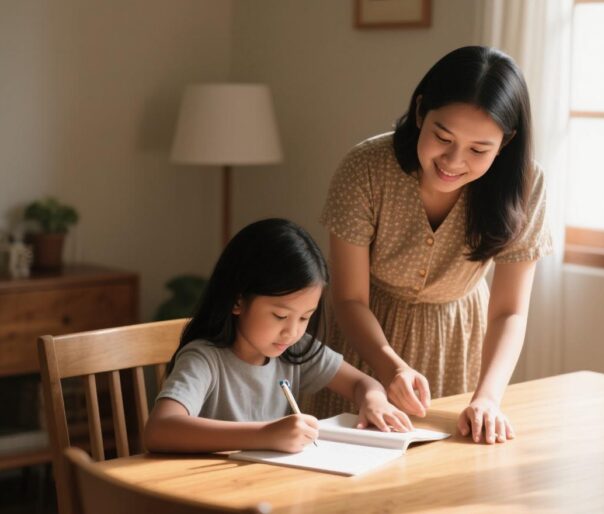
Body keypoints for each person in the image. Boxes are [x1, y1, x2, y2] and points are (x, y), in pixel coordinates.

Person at [307, 46, 552, 444]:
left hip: (458, 344)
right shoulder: (366, 168)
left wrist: (488, 398)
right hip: (364, 344)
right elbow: (349, 298)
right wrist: (390, 368)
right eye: (442, 136)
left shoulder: (526, 186)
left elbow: (509, 312)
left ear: (505, 142)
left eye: (478, 149)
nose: (453, 161)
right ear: (421, 112)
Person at [144, 218, 412, 454]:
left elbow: (362, 384)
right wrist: (263, 435)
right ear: (238, 301)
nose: (292, 331)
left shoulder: (294, 351)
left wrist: (373, 400)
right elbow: (159, 429)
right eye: (280, 316)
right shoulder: (204, 360)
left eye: (305, 317)